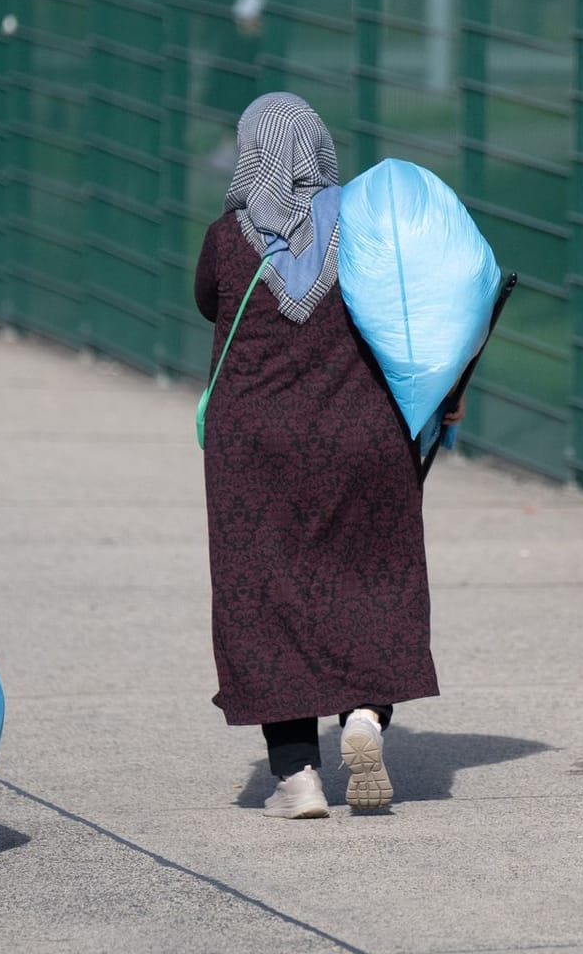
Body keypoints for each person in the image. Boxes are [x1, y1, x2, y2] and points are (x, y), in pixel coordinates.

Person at [193, 92, 445, 819]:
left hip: (254, 451)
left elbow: (210, 303)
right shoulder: (367, 228)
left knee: (267, 600)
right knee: (373, 580)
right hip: (360, 439)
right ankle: (366, 714)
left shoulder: (225, 238)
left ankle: (296, 777)